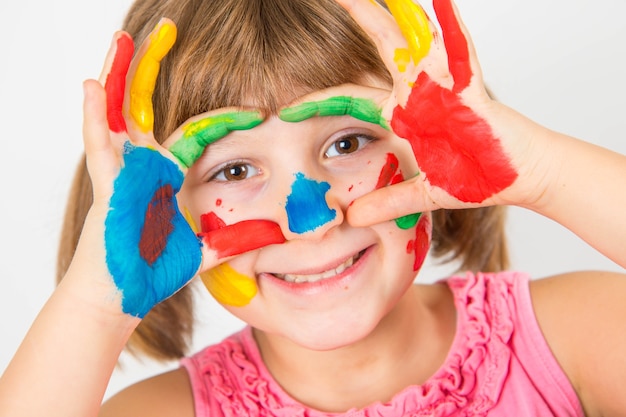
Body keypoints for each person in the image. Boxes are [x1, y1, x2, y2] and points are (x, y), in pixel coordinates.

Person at [1, 0, 625, 416]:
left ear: (427, 149)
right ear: (168, 213)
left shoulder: (569, 335)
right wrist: (95, 305)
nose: (313, 217)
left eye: (347, 142)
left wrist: (542, 173)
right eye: (235, 169)